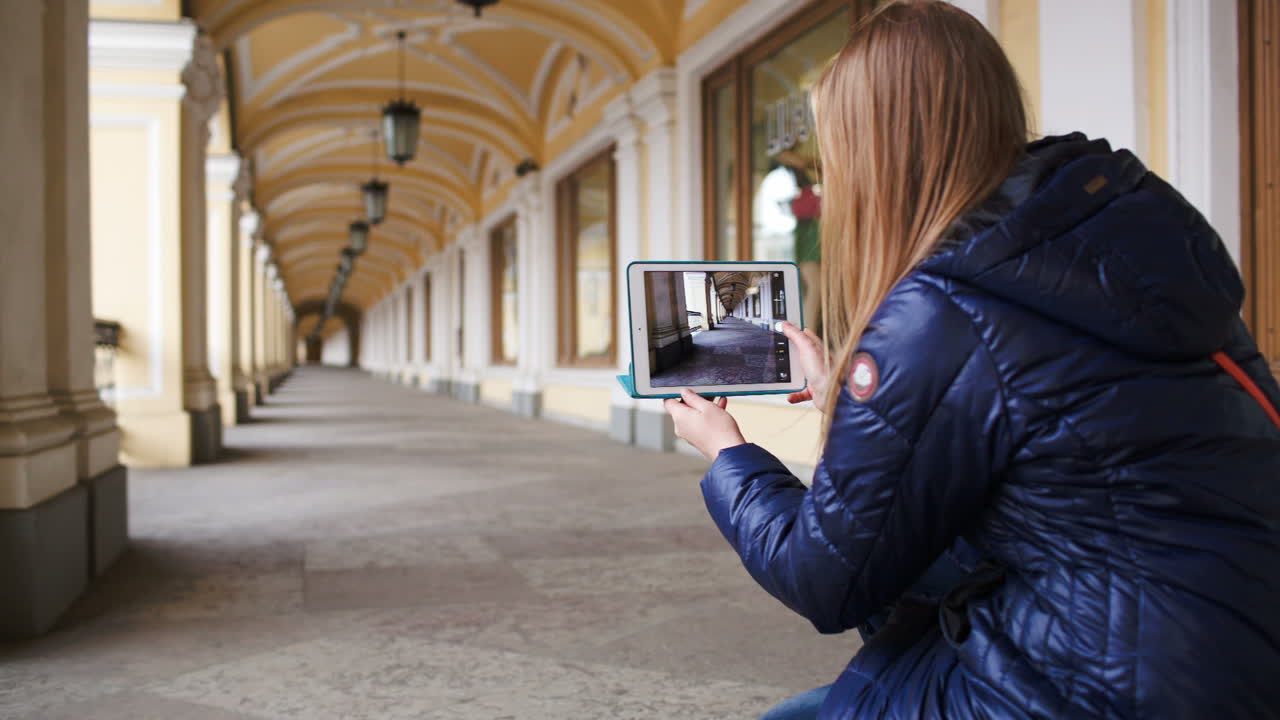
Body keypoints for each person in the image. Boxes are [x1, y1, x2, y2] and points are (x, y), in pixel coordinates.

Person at [664, 2, 1280, 718]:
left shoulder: (938, 309)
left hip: (1108, 682)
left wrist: (728, 454)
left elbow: (823, 580)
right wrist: (856, 398)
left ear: (872, 156)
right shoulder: (1119, 241)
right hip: (1235, 631)